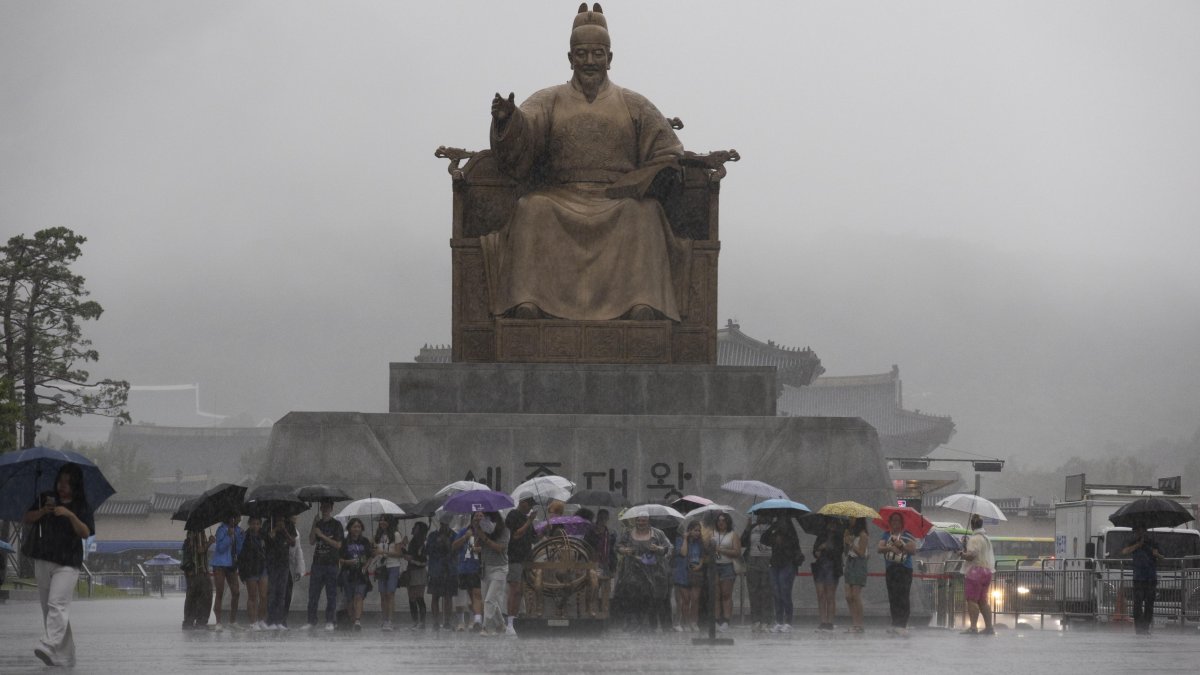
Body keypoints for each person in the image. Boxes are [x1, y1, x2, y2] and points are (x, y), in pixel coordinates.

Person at [481, 3, 692, 322]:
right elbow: (525, 132)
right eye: (582, 54)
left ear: (610, 58)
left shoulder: (634, 104)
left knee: (646, 214)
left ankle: (643, 303)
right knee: (531, 209)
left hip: (617, 199)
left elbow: (669, 149)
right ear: (570, 58)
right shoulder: (548, 99)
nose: (590, 61)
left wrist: (647, 175)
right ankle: (527, 301)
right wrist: (508, 120)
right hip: (561, 195)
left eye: (597, 54)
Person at [22, 463, 94, 666]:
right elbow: (27, 518)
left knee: (57, 604)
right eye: (61, 480)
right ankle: (67, 654)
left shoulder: (82, 506)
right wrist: (43, 511)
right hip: (43, 558)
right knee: (50, 609)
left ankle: (48, 644)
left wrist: (70, 515)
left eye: (68, 482)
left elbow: (85, 532)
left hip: (68, 563)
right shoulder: (46, 497)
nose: (63, 486)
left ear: (76, 485)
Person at [614, 515, 672, 631]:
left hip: (653, 572)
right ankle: (634, 623)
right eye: (639, 520)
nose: (641, 523)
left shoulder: (658, 533)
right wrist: (624, 550)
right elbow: (617, 546)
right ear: (635, 521)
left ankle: (649, 624)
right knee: (633, 597)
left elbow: (668, 548)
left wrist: (658, 548)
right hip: (633, 571)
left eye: (644, 521)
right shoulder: (628, 533)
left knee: (651, 597)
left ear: (649, 521)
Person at [303, 499, 344, 631]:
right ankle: (311, 621)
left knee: (331, 594)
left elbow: (338, 545)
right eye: (323, 506)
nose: (325, 509)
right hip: (318, 564)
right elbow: (311, 541)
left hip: (331, 564)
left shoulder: (337, 525)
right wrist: (314, 525)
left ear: (331, 508)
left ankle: (330, 620)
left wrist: (323, 536)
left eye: (327, 507)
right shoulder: (318, 523)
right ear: (320, 508)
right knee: (313, 594)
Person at [878, 512, 918, 637]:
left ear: (901, 523)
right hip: (891, 568)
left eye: (898, 521)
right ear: (890, 523)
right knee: (893, 596)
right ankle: (895, 622)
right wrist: (890, 548)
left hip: (904, 569)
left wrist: (902, 545)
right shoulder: (886, 534)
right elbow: (879, 548)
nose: (895, 523)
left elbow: (913, 550)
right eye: (893, 521)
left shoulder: (907, 535)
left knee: (903, 596)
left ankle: (902, 623)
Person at [762, 514, 802, 633]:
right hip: (775, 564)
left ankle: (788, 621)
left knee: (785, 592)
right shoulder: (774, 531)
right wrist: (773, 530)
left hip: (788, 564)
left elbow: (794, 546)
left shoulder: (791, 533)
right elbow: (763, 539)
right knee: (776, 593)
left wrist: (783, 541)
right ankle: (779, 621)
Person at [1121, 524, 1163, 635]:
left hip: (1151, 578)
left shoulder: (1153, 542)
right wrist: (1137, 545)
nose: (1139, 533)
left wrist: (1157, 554)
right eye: (1136, 531)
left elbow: (1163, 557)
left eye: (1140, 531)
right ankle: (1139, 628)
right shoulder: (1133, 541)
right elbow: (1124, 551)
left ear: (1145, 531)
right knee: (1137, 605)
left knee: (1149, 604)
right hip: (1138, 578)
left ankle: (1145, 627)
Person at [960, 514, 996, 636]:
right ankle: (989, 627)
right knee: (983, 601)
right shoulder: (986, 539)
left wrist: (962, 554)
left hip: (975, 572)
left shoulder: (974, 539)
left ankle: (973, 627)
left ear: (972, 525)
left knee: (972, 600)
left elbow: (971, 555)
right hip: (987, 572)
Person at [504, 496, 535, 635]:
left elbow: (534, 536)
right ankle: (509, 622)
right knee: (514, 589)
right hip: (515, 557)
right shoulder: (513, 515)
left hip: (526, 558)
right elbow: (516, 534)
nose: (530, 508)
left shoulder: (527, 519)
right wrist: (529, 521)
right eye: (529, 505)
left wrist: (546, 529)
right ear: (522, 503)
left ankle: (515, 618)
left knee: (521, 591)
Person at [477, 511, 511, 636]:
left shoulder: (505, 531)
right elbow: (476, 545)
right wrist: (477, 527)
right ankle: (501, 625)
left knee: (489, 599)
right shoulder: (483, 530)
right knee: (489, 599)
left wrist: (484, 537)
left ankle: (485, 627)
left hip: (500, 568)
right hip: (486, 567)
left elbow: (499, 548)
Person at [338, 517, 374, 631]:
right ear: (349, 528)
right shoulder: (344, 542)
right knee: (349, 599)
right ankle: (352, 619)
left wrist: (365, 566)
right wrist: (349, 562)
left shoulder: (365, 541)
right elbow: (339, 559)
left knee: (359, 596)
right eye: (354, 527)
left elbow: (370, 556)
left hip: (361, 574)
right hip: (348, 573)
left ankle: (357, 620)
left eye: (358, 526)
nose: (357, 529)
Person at [452, 511, 486, 632]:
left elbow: (490, 547)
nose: (478, 518)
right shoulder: (464, 531)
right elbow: (454, 546)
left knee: (476, 594)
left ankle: (477, 620)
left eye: (481, 516)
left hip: (478, 568)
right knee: (471, 596)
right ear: (472, 519)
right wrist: (465, 537)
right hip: (464, 568)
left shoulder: (486, 533)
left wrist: (481, 549)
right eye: (476, 516)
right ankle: (475, 618)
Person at [741, 514, 774, 633]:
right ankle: (756, 620)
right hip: (752, 562)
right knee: (753, 592)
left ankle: (765, 620)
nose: (761, 517)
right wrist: (747, 527)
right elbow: (743, 542)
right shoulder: (753, 528)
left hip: (767, 562)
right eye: (759, 514)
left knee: (766, 592)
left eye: (763, 514)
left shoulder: (772, 528)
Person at [210, 512, 243, 630]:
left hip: (232, 564)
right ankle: (218, 622)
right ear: (231, 518)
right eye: (237, 516)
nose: (240, 518)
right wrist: (229, 536)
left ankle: (232, 620)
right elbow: (220, 548)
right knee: (220, 591)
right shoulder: (221, 529)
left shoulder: (239, 530)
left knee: (236, 592)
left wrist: (240, 537)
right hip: (220, 564)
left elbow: (239, 549)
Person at [709, 513, 740, 632]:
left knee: (726, 594)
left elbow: (737, 552)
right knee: (716, 595)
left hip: (727, 566)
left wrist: (721, 549)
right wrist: (711, 547)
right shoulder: (712, 534)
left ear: (728, 522)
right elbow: (707, 549)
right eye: (719, 520)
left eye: (723, 520)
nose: (721, 522)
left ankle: (726, 620)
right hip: (714, 566)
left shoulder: (733, 535)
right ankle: (716, 620)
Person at [263, 515, 295, 630]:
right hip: (271, 562)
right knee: (272, 592)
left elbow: (293, 542)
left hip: (284, 563)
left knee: (282, 593)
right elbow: (266, 539)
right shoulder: (268, 523)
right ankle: (270, 620)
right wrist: (275, 529)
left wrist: (284, 530)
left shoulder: (289, 524)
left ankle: (280, 620)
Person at [583, 508, 617, 617]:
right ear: (598, 517)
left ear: (607, 519)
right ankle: (591, 609)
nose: (603, 519)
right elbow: (585, 546)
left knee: (606, 589)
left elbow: (612, 550)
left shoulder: (611, 533)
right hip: (593, 562)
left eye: (605, 517)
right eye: (601, 517)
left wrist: (613, 566)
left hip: (606, 563)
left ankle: (604, 611)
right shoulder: (590, 531)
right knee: (594, 586)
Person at [811, 517, 843, 631]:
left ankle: (829, 622)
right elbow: (814, 550)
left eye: (834, 523)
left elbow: (839, 552)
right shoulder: (821, 535)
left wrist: (829, 548)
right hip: (820, 566)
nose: (832, 526)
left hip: (833, 567)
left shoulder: (839, 537)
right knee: (820, 594)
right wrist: (819, 549)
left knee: (830, 595)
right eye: (830, 523)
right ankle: (823, 621)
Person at [426, 517, 458, 630]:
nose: (444, 525)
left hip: (449, 570)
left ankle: (447, 622)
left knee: (448, 597)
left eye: (446, 523)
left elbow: (456, 552)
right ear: (440, 523)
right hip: (436, 570)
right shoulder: (433, 536)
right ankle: (435, 622)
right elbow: (428, 551)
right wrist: (437, 543)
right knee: (435, 596)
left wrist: (447, 543)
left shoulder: (454, 535)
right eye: (442, 523)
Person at [373, 515, 404, 631]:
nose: (382, 522)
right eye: (380, 520)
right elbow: (376, 553)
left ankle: (390, 621)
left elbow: (399, 553)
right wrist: (375, 551)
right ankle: (384, 619)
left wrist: (383, 552)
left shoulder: (396, 535)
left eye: (384, 520)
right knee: (382, 594)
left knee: (390, 594)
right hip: (381, 566)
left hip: (393, 566)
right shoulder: (378, 536)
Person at [673, 520, 704, 631]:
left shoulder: (700, 543)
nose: (697, 533)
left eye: (699, 531)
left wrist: (699, 566)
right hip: (683, 573)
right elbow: (683, 553)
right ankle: (685, 622)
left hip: (695, 573)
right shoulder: (680, 540)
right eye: (695, 530)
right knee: (685, 600)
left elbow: (701, 557)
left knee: (695, 600)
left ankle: (693, 622)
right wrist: (685, 539)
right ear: (689, 530)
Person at [239, 515, 268, 630]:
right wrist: (242, 572)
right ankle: (253, 621)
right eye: (253, 523)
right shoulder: (245, 536)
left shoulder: (264, 535)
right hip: (250, 569)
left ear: (260, 525)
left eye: (257, 523)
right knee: (252, 596)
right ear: (249, 524)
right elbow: (242, 555)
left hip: (263, 568)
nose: (255, 526)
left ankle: (261, 620)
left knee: (264, 596)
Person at [181, 528, 214, 630]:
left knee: (192, 597)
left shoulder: (191, 533)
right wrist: (210, 542)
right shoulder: (198, 531)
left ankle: (189, 621)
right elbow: (200, 550)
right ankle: (201, 621)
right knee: (205, 595)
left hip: (193, 572)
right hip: (198, 571)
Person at [842, 517, 869, 633]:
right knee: (848, 596)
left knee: (855, 595)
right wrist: (846, 541)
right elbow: (845, 552)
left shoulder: (863, 535)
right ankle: (854, 622)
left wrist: (852, 543)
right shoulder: (851, 534)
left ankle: (859, 624)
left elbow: (862, 553)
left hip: (858, 563)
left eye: (852, 518)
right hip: (850, 563)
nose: (850, 520)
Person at [403, 521, 430, 630]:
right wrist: (403, 549)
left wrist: (411, 559)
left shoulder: (422, 543)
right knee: (411, 598)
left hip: (419, 572)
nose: (413, 528)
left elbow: (423, 561)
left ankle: (421, 623)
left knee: (418, 597)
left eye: (416, 527)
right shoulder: (413, 542)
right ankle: (415, 622)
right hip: (411, 571)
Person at [284, 514, 305, 628]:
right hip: (280, 564)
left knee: (287, 593)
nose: (295, 518)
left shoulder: (296, 532)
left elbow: (298, 550)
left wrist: (299, 569)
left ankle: (284, 618)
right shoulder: (282, 529)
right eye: (293, 516)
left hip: (290, 566)